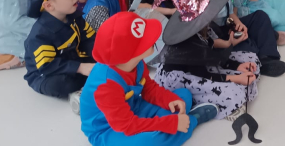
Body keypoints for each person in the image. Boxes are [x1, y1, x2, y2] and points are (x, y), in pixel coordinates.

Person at [79, 12, 218, 146]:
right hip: (108, 129)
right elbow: (126, 125)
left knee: (183, 96)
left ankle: (174, 125)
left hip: (135, 107)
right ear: (128, 54)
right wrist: (171, 123)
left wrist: (170, 100)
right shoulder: (106, 85)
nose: (153, 39)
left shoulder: (136, 63)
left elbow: (149, 89)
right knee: (151, 141)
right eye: (144, 40)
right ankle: (192, 121)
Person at [153, 0, 261, 121]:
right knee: (234, 92)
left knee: (250, 59)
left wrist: (236, 65)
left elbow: (209, 48)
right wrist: (235, 78)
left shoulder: (199, 26)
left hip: (200, 65)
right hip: (184, 77)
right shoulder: (188, 40)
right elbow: (202, 74)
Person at [23, 0, 95, 100]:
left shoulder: (75, 17)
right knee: (62, 84)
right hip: (46, 73)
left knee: (102, 60)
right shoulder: (40, 35)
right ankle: (83, 88)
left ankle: (91, 78)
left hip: (73, 60)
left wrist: (99, 55)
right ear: (49, 6)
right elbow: (48, 65)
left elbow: (89, 40)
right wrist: (80, 67)